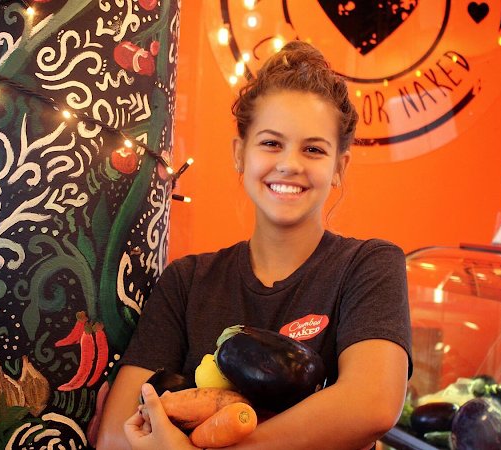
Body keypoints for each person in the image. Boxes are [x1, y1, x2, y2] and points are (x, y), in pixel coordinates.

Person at [96, 41, 412, 450]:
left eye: (313, 149)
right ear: (240, 154)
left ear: (339, 167)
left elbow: (372, 404)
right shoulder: (187, 282)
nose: (290, 164)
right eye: (271, 143)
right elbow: (113, 434)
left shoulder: (368, 266)